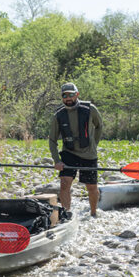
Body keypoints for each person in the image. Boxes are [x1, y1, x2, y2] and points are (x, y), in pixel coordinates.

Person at [48, 82, 103, 217]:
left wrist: (94, 144)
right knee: (64, 183)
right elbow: (52, 140)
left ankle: (94, 213)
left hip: (89, 154)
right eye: (65, 96)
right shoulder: (58, 115)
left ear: (77, 94)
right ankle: (66, 214)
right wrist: (57, 160)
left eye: (71, 95)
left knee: (91, 187)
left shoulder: (90, 109)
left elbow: (99, 126)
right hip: (69, 153)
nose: (68, 98)